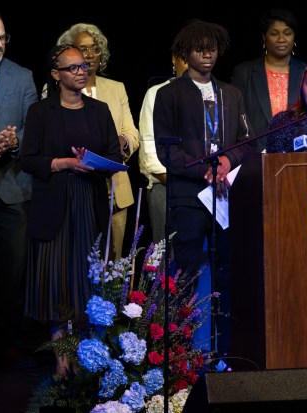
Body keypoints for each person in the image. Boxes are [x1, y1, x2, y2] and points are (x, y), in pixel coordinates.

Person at [153, 20, 254, 357]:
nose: (207, 54)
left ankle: (225, 352)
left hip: (225, 195)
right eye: (200, 48)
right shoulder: (168, 93)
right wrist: (205, 169)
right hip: (189, 197)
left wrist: (226, 163)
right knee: (186, 277)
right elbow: (166, 151)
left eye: (212, 47)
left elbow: (246, 142)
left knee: (227, 274)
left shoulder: (231, 93)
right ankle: (182, 356)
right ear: (185, 52)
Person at [21, 44, 122, 373]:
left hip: (88, 202)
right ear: (56, 74)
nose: (81, 72)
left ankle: (82, 356)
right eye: (74, 68)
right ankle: (60, 358)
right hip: (54, 203)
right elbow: (28, 159)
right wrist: (62, 162)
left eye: (84, 66)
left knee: (83, 279)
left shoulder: (99, 110)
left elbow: (114, 158)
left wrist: (94, 163)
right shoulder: (41, 112)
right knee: (55, 280)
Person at [55, 23, 139, 260]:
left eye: (95, 49)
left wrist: (122, 141)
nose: (90, 55)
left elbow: (132, 132)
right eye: (83, 49)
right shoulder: (54, 90)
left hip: (115, 191)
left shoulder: (116, 88)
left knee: (112, 266)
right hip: (73, 189)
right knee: (76, 260)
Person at [0, 9, 38, 369]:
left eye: (2, 37)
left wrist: (12, 141)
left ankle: (8, 344)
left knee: (11, 272)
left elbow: (32, 127)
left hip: (11, 189)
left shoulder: (21, 76)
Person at [231, 8, 306, 152]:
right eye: (274, 33)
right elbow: (236, 117)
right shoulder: (244, 72)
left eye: (287, 33)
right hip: (254, 155)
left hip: (297, 154)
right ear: (264, 37)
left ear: (294, 36)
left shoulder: (306, 72)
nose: (281, 39)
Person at [139, 53, 187, 244]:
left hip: (204, 186)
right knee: (166, 257)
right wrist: (180, 183)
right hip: (166, 184)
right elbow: (149, 150)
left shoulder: (214, 93)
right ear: (174, 59)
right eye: (185, 57)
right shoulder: (156, 94)